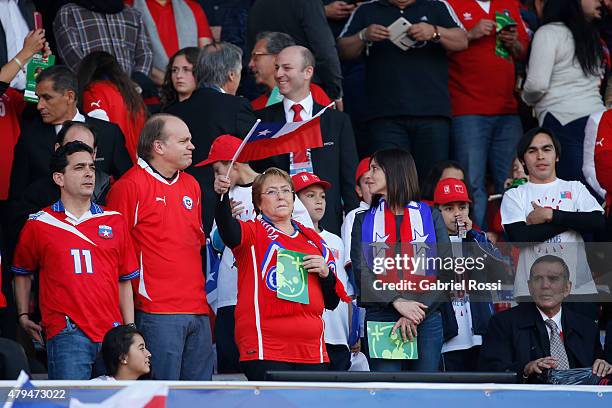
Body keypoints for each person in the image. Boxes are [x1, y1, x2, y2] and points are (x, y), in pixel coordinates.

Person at [12, 141, 139, 380]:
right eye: (79, 167)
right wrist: (22, 316)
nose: (89, 173)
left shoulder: (115, 221)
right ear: (59, 178)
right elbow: (22, 270)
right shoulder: (39, 223)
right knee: (70, 403)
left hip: (112, 333)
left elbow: (124, 280)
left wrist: (129, 329)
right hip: (66, 332)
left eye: (91, 166)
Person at [214, 167, 350, 381]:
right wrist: (221, 198)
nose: (281, 196)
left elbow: (332, 302)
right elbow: (228, 230)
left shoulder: (313, 241)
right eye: (272, 191)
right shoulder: (252, 233)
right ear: (258, 202)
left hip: (311, 350)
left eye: (286, 190)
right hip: (267, 346)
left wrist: (326, 273)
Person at [106, 114, 214, 380]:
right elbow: (114, 255)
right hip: (157, 311)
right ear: (159, 147)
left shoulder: (192, 185)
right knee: (162, 396)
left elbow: (196, 244)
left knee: (200, 400)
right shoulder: (129, 186)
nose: (192, 146)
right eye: (184, 141)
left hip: (198, 309)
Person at [197, 134, 313, 373]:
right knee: (232, 368)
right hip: (231, 294)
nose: (216, 176)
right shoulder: (227, 198)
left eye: (218, 169)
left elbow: (306, 236)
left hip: (277, 293)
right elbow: (217, 244)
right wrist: (226, 218)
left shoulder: (277, 188)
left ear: (233, 164)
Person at [337, 0, 468, 180]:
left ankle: (427, 210)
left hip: (432, 112)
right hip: (384, 114)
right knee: (391, 181)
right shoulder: (367, 9)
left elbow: (462, 40)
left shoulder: (436, 5)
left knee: (432, 180)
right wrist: (363, 35)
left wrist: (434, 31)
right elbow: (342, 50)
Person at [350, 148, 452, 372]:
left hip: (425, 316)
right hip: (382, 316)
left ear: (395, 172)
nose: (369, 175)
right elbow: (361, 272)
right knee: (387, 394)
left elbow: (446, 271)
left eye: (375, 168)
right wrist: (397, 302)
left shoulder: (430, 216)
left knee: (424, 395)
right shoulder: (363, 220)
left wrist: (414, 313)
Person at [253, 45, 359, 235]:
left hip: (326, 222)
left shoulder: (336, 121)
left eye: (287, 68)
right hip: (276, 223)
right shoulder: (262, 121)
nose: (278, 74)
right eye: (277, 67)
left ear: (307, 72)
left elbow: (349, 180)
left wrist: (352, 226)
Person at [501, 128, 605, 314]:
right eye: (532, 151)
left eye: (547, 149)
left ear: (557, 155)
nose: (540, 156)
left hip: (578, 289)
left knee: (583, 343)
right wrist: (571, 219)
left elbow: (597, 221)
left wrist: (550, 215)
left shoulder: (575, 188)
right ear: (523, 160)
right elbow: (521, 237)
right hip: (531, 291)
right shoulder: (515, 195)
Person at [447, 0, 530, 229]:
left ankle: (513, 248)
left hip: (507, 110)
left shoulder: (509, 4)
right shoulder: (450, 3)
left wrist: (513, 43)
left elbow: (523, 49)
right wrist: (470, 34)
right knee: (472, 185)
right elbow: (436, 44)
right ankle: (476, 248)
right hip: (467, 109)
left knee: (516, 182)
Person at [165, 42, 257, 232]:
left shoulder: (172, 112)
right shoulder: (236, 106)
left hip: (181, 204)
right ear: (232, 75)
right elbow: (256, 153)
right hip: (226, 205)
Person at [479, 255, 612, 382]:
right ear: (530, 287)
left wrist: (603, 366)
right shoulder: (503, 323)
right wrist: (525, 370)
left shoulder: (586, 327)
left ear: (567, 288)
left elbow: (600, 372)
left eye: (553, 278)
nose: (545, 285)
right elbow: (491, 371)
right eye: (538, 279)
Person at [9, 65, 132, 200]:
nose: (39, 105)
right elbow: (17, 196)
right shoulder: (30, 137)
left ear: (69, 96)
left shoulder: (109, 133)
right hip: (45, 218)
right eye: (38, 98)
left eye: (47, 98)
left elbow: (128, 186)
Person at [522, 0, 606, 187]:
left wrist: (525, 98)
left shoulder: (548, 33)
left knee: (575, 189)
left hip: (564, 121)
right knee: (600, 188)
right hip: (598, 120)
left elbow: (537, 84)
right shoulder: (589, 35)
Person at [433, 178, 505, 372]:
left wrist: (472, 235)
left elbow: (502, 273)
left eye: (462, 207)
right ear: (436, 212)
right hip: (447, 339)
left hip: (480, 336)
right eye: (449, 208)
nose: (457, 214)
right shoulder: (430, 244)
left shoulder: (478, 238)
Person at [293, 171, 354, 371]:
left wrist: (352, 332)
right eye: (310, 196)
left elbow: (346, 290)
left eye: (322, 196)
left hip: (338, 336)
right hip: (306, 336)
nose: (319, 201)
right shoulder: (288, 238)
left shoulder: (336, 240)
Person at [246, 0, 344, 105]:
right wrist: (335, 91)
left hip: (271, 93)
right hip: (305, 92)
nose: (250, 64)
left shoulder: (257, 5)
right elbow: (325, 51)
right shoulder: (307, 3)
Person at [0, 28, 47, 201]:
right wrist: (26, 52)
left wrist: (39, 65)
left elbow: (35, 107)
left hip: (12, 188)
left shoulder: (9, 93)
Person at [78, 51, 147, 162]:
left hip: (116, 171)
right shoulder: (131, 94)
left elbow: (101, 134)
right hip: (138, 169)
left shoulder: (93, 91)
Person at [53, 1, 152, 78]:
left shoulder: (133, 15)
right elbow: (73, 57)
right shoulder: (69, 13)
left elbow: (145, 54)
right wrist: (103, 82)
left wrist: (137, 83)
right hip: (92, 96)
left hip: (131, 96)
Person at [128, 0, 213, 86]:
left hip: (192, 88)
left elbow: (206, 56)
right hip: (148, 91)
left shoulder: (193, 7)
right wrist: (172, 82)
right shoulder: (129, 6)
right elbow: (129, 57)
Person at [248, 31, 331, 110]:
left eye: (256, 57)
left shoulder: (312, 94)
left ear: (278, 57)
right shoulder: (255, 106)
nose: (250, 64)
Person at [0, 0, 36, 90]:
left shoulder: (28, 5)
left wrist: (42, 56)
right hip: (4, 94)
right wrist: (27, 51)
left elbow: (34, 51)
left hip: (30, 93)